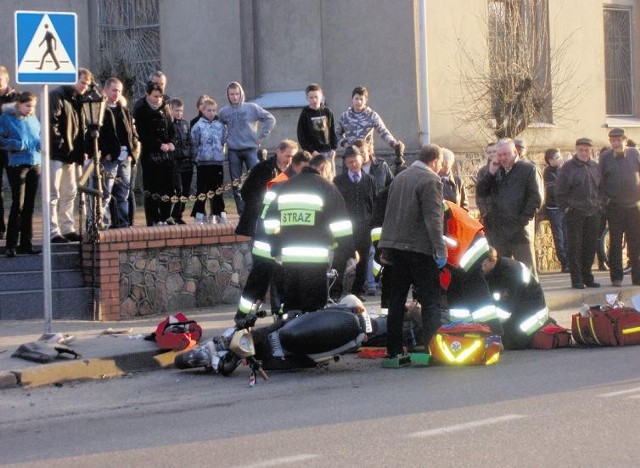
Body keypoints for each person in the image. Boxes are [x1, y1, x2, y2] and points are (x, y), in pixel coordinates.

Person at [258, 154, 354, 316]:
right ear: (323, 168)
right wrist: (348, 253)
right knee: (314, 310)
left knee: (292, 305)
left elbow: (270, 223)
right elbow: (341, 226)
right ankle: (310, 339)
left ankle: (290, 336)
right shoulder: (326, 187)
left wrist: (276, 249)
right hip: (315, 260)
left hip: (288, 260)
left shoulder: (286, 187)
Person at [378, 144, 447, 368]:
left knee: (396, 300)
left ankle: (394, 351)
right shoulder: (430, 180)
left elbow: (390, 211)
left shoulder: (401, 177)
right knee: (430, 300)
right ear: (435, 161)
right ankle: (433, 349)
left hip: (395, 248)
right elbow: (433, 219)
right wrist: (440, 249)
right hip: (419, 248)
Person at [234, 147, 311, 323]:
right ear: (297, 166)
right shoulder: (282, 183)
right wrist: (278, 245)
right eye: (305, 169)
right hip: (269, 243)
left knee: (270, 284)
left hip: (272, 242)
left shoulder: (288, 181)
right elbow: (272, 219)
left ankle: (254, 317)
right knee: (259, 284)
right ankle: (244, 317)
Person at [448, 245, 548, 350]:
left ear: (491, 260)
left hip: (528, 322)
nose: (479, 268)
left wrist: (480, 326)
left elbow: (503, 312)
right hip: (517, 313)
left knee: (496, 342)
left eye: (481, 264)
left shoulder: (509, 273)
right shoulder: (493, 271)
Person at [476, 138, 542, 277]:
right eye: (500, 155)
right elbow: (481, 192)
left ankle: (530, 298)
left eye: (506, 154)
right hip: (498, 232)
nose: (503, 158)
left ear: (515, 152)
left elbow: (536, 198)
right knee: (501, 274)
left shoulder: (528, 169)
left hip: (519, 231)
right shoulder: (495, 171)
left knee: (527, 273)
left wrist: (522, 221)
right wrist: (491, 173)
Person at [218, 81, 276, 215]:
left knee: (257, 179)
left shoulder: (252, 108)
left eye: (237, 94)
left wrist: (261, 136)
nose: (234, 97)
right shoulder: (223, 112)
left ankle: (258, 209)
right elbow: (219, 129)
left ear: (241, 94)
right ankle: (242, 212)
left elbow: (270, 119)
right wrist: (222, 141)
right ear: (228, 95)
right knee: (236, 183)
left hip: (251, 149)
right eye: (231, 94)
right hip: (233, 151)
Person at [49, 68, 92, 243]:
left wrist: (81, 148)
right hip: (57, 153)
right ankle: (53, 231)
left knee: (70, 192)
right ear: (74, 80)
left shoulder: (79, 100)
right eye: (82, 83)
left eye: (87, 84)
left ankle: (67, 228)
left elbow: (82, 127)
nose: (85, 87)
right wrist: (62, 145)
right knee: (53, 194)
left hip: (72, 154)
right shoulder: (57, 96)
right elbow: (52, 123)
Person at [554, 138, 602, 289]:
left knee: (590, 246)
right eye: (581, 149)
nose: (583, 152)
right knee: (575, 247)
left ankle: (588, 277)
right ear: (576, 150)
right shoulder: (568, 168)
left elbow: (601, 187)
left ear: (591, 151)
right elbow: (559, 191)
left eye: (586, 150)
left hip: (593, 212)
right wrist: (566, 207)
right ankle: (577, 280)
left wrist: (600, 204)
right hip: (575, 212)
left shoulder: (595, 166)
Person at [332, 145, 376, 301]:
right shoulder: (338, 181)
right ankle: (335, 291)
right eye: (349, 162)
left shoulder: (369, 180)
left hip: (364, 227)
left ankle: (357, 291)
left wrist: (372, 222)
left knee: (363, 261)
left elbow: (373, 203)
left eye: (355, 161)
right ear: (345, 163)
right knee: (341, 259)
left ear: (362, 160)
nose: (353, 165)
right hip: (345, 227)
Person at [0, 92, 41, 257]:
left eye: (33, 106)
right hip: (17, 164)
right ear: (19, 104)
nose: (30, 110)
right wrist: (18, 144)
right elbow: (1, 140)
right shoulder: (6, 118)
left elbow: (37, 136)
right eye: (27, 106)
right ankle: (11, 244)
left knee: (29, 206)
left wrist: (41, 143)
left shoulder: (33, 118)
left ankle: (26, 243)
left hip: (35, 162)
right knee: (18, 204)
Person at [598, 127, 640, 286]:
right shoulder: (605, 157)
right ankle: (616, 277)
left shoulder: (635, 154)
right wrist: (605, 200)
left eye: (619, 140)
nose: (616, 143)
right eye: (613, 140)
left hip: (634, 207)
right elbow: (599, 181)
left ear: (625, 141)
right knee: (615, 243)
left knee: (636, 243)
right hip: (615, 206)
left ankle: (638, 278)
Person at [353, 138, 394, 295]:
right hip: (362, 214)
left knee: (377, 249)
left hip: (379, 212)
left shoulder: (381, 166)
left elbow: (391, 184)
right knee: (366, 250)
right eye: (358, 154)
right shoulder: (353, 168)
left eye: (363, 152)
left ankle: (374, 281)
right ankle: (369, 283)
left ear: (369, 151)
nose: (361, 156)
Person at [97, 78, 139, 228]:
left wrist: (131, 152)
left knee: (123, 194)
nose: (117, 93)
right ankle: (103, 223)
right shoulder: (100, 110)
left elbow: (133, 134)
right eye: (114, 90)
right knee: (106, 193)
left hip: (125, 157)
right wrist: (106, 153)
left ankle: (123, 224)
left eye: (119, 91)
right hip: (109, 158)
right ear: (106, 90)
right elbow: (98, 135)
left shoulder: (124, 110)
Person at [235, 139, 298, 238]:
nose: (290, 160)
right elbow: (247, 191)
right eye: (287, 156)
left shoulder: (295, 172)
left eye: (293, 157)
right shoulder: (263, 168)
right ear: (278, 152)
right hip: (260, 218)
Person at [134, 81, 175, 226]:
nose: (158, 99)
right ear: (148, 94)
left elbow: (171, 128)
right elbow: (142, 134)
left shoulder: (165, 108)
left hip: (167, 155)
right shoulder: (142, 109)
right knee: (152, 188)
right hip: (150, 155)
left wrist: (171, 142)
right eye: (155, 96)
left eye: (160, 96)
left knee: (168, 187)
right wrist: (158, 145)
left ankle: (166, 215)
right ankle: (154, 218)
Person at [336, 86, 403, 155]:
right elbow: (337, 133)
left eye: (361, 99)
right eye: (356, 99)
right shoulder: (345, 116)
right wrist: (345, 144)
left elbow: (383, 131)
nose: (358, 102)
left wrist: (393, 142)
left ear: (366, 100)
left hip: (367, 155)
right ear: (352, 99)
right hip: (350, 155)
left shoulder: (371, 115)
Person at [189, 97, 226, 222]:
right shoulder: (197, 126)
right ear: (203, 111)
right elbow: (194, 142)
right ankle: (199, 213)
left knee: (217, 189)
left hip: (217, 162)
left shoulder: (220, 126)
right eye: (209, 110)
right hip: (203, 162)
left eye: (214, 110)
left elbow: (222, 140)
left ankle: (218, 213)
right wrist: (196, 158)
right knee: (202, 189)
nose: (211, 113)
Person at [297, 83, 338, 176]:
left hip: (327, 151)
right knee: (315, 175)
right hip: (313, 153)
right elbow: (301, 135)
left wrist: (334, 148)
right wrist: (311, 151)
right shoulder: (305, 113)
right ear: (307, 98)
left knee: (330, 176)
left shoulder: (327, 112)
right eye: (311, 97)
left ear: (321, 97)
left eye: (316, 97)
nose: (314, 100)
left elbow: (332, 131)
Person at [542, 148, 569, 273]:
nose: (561, 159)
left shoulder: (563, 170)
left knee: (567, 236)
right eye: (557, 157)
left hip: (565, 208)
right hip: (554, 208)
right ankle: (565, 263)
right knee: (559, 237)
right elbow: (554, 190)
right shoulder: (548, 172)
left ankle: (569, 261)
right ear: (550, 160)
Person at [168, 98, 193, 224]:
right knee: (179, 189)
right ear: (171, 110)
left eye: (181, 110)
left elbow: (189, 141)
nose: (179, 113)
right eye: (176, 110)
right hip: (176, 162)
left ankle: (178, 215)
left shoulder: (185, 124)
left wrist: (192, 157)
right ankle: (172, 215)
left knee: (186, 192)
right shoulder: (169, 124)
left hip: (187, 161)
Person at [0, 65, 18, 240]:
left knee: (16, 189)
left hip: (12, 149)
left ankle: (16, 226)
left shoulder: (15, 98)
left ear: (6, 80)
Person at [475, 142, 497, 223]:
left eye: (494, 151)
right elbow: (479, 194)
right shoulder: (482, 171)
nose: (492, 154)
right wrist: (484, 212)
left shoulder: (505, 168)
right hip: (489, 213)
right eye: (489, 152)